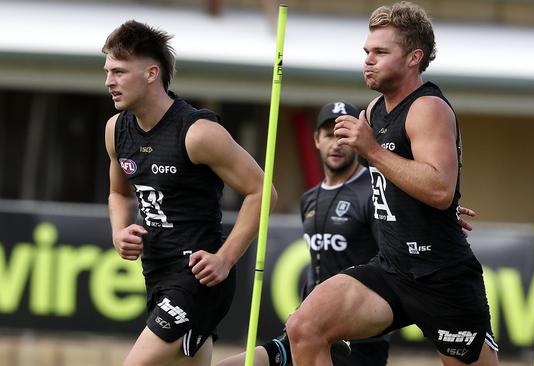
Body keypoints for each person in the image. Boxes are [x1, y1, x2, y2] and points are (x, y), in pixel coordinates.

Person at [286, 2, 499, 366]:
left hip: (441, 277)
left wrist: (371, 150)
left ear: (414, 57)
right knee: (303, 326)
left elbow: (438, 189)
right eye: (367, 52)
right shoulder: (372, 111)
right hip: (391, 269)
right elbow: (404, 184)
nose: (368, 60)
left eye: (381, 52)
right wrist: (422, 208)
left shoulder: (427, 108)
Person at [216, 101, 477, 366]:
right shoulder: (310, 198)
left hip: (359, 339)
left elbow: (402, 233)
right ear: (316, 140)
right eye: (329, 135)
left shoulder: (374, 191)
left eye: (343, 135)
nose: (337, 143)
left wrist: (439, 223)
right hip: (311, 327)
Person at [103, 20, 275, 366]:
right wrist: (119, 231)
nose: (109, 82)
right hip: (156, 275)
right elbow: (119, 194)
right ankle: (280, 355)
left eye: (119, 72)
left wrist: (225, 258)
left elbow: (262, 191)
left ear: (152, 73)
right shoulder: (116, 129)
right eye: (107, 71)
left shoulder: (198, 133)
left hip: (198, 278)